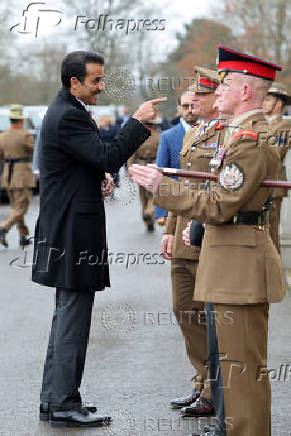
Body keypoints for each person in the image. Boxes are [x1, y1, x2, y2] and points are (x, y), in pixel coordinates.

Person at [129, 46, 285, 436]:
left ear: (246, 91)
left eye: (227, 84)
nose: (218, 92)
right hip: (231, 261)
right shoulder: (240, 135)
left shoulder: (250, 140)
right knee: (234, 369)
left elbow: (221, 204)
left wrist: (161, 187)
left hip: (240, 265)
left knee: (242, 370)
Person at [32, 50, 166, 428]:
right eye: (95, 80)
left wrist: (95, 176)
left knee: (66, 317)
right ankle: (62, 404)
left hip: (67, 227)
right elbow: (108, 155)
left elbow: (87, 160)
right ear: (74, 82)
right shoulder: (70, 114)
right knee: (73, 319)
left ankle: (56, 399)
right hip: (72, 232)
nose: (102, 86)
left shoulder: (65, 110)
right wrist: (137, 123)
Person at [166, 67, 224, 419]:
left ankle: (212, 390)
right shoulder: (194, 133)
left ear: (215, 98)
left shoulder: (224, 135)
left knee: (212, 317)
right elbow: (184, 188)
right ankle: (201, 379)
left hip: (207, 235)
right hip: (183, 234)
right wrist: (170, 228)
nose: (192, 104)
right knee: (184, 309)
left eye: (198, 97)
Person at [154, 91, 197, 226]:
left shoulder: (210, 132)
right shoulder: (167, 136)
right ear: (178, 109)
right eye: (185, 106)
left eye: (193, 106)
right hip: (176, 203)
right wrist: (161, 212)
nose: (190, 110)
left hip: (203, 202)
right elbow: (161, 173)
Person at [0, 104, 35, 248]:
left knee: (16, 206)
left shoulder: (2, 136)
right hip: (22, 174)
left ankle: (23, 236)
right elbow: (34, 150)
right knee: (22, 207)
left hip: (8, 174)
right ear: (20, 120)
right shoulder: (25, 135)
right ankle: (3, 227)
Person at [263, 82, 291, 252]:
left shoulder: (285, 126)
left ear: (278, 104)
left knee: (271, 235)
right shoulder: (261, 124)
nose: (263, 103)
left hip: (274, 185)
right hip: (263, 183)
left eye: (267, 100)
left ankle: (275, 277)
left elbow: (275, 152)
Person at [128, 117, 160, 231]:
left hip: (141, 166)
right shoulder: (159, 136)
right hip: (154, 165)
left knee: (143, 195)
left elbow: (131, 155)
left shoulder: (137, 137)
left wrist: (130, 170)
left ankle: (146, 216)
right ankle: (149, 212)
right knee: (153, 193)